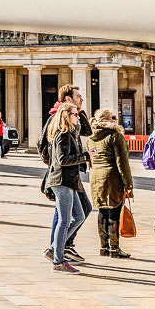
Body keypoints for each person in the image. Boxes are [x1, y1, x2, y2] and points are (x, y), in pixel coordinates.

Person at [38, 85, 94, 260]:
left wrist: (80, 111)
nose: (82, 99)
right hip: (62, 174)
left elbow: (88, 131)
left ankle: (61, 246)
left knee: (73, 212)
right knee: (69, 214)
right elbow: (43, 145)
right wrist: (55, 165)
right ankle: (60, 249)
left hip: (71, 174)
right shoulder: (57, 119)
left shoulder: (72, 120)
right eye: (78, 97)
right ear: (68, 99)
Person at [44, 103, 87, 273]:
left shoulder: (70, 134)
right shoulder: (63, 135)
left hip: (69, 181)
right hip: (62, 182)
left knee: (79, 215)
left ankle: (55, 248)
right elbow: (63, 160)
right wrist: (85, 156)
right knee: (64, 220)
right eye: (75, 114)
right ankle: (58, 261)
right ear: (66, 116)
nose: (78, 117)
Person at [88, 108, 134, 257]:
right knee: (114, 211)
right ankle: (114, 248)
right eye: (113, 117)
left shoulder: (91, 138)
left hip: (96, 177)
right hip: (112, 176)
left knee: (102, 211)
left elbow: (91, 160)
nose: (116, 119)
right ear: (106, 120)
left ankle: (104, 247)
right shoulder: (115, 136)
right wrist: (128, 185)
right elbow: (122, 163)